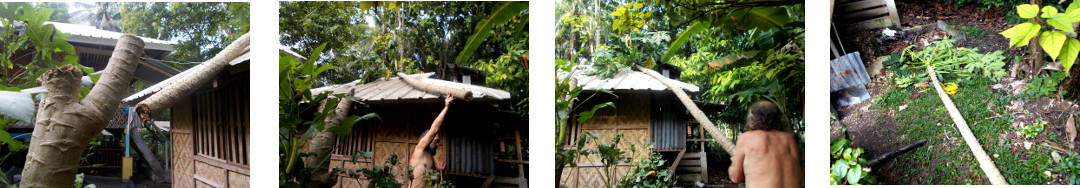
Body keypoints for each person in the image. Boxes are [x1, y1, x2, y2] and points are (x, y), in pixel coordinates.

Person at [728, 100, 803, 188]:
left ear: (753, 118)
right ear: (778, 119)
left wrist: (734, 162)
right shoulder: (790, 139)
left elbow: (735, 178)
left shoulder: (747, 138)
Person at [409, 92, 453, 188]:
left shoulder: (428, 155)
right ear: (427, 140)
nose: (437, 144)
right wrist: (446, 107)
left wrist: (439, 169)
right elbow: (435, 130)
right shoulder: (420, 149)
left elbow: (429, 166)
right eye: (436, 141)